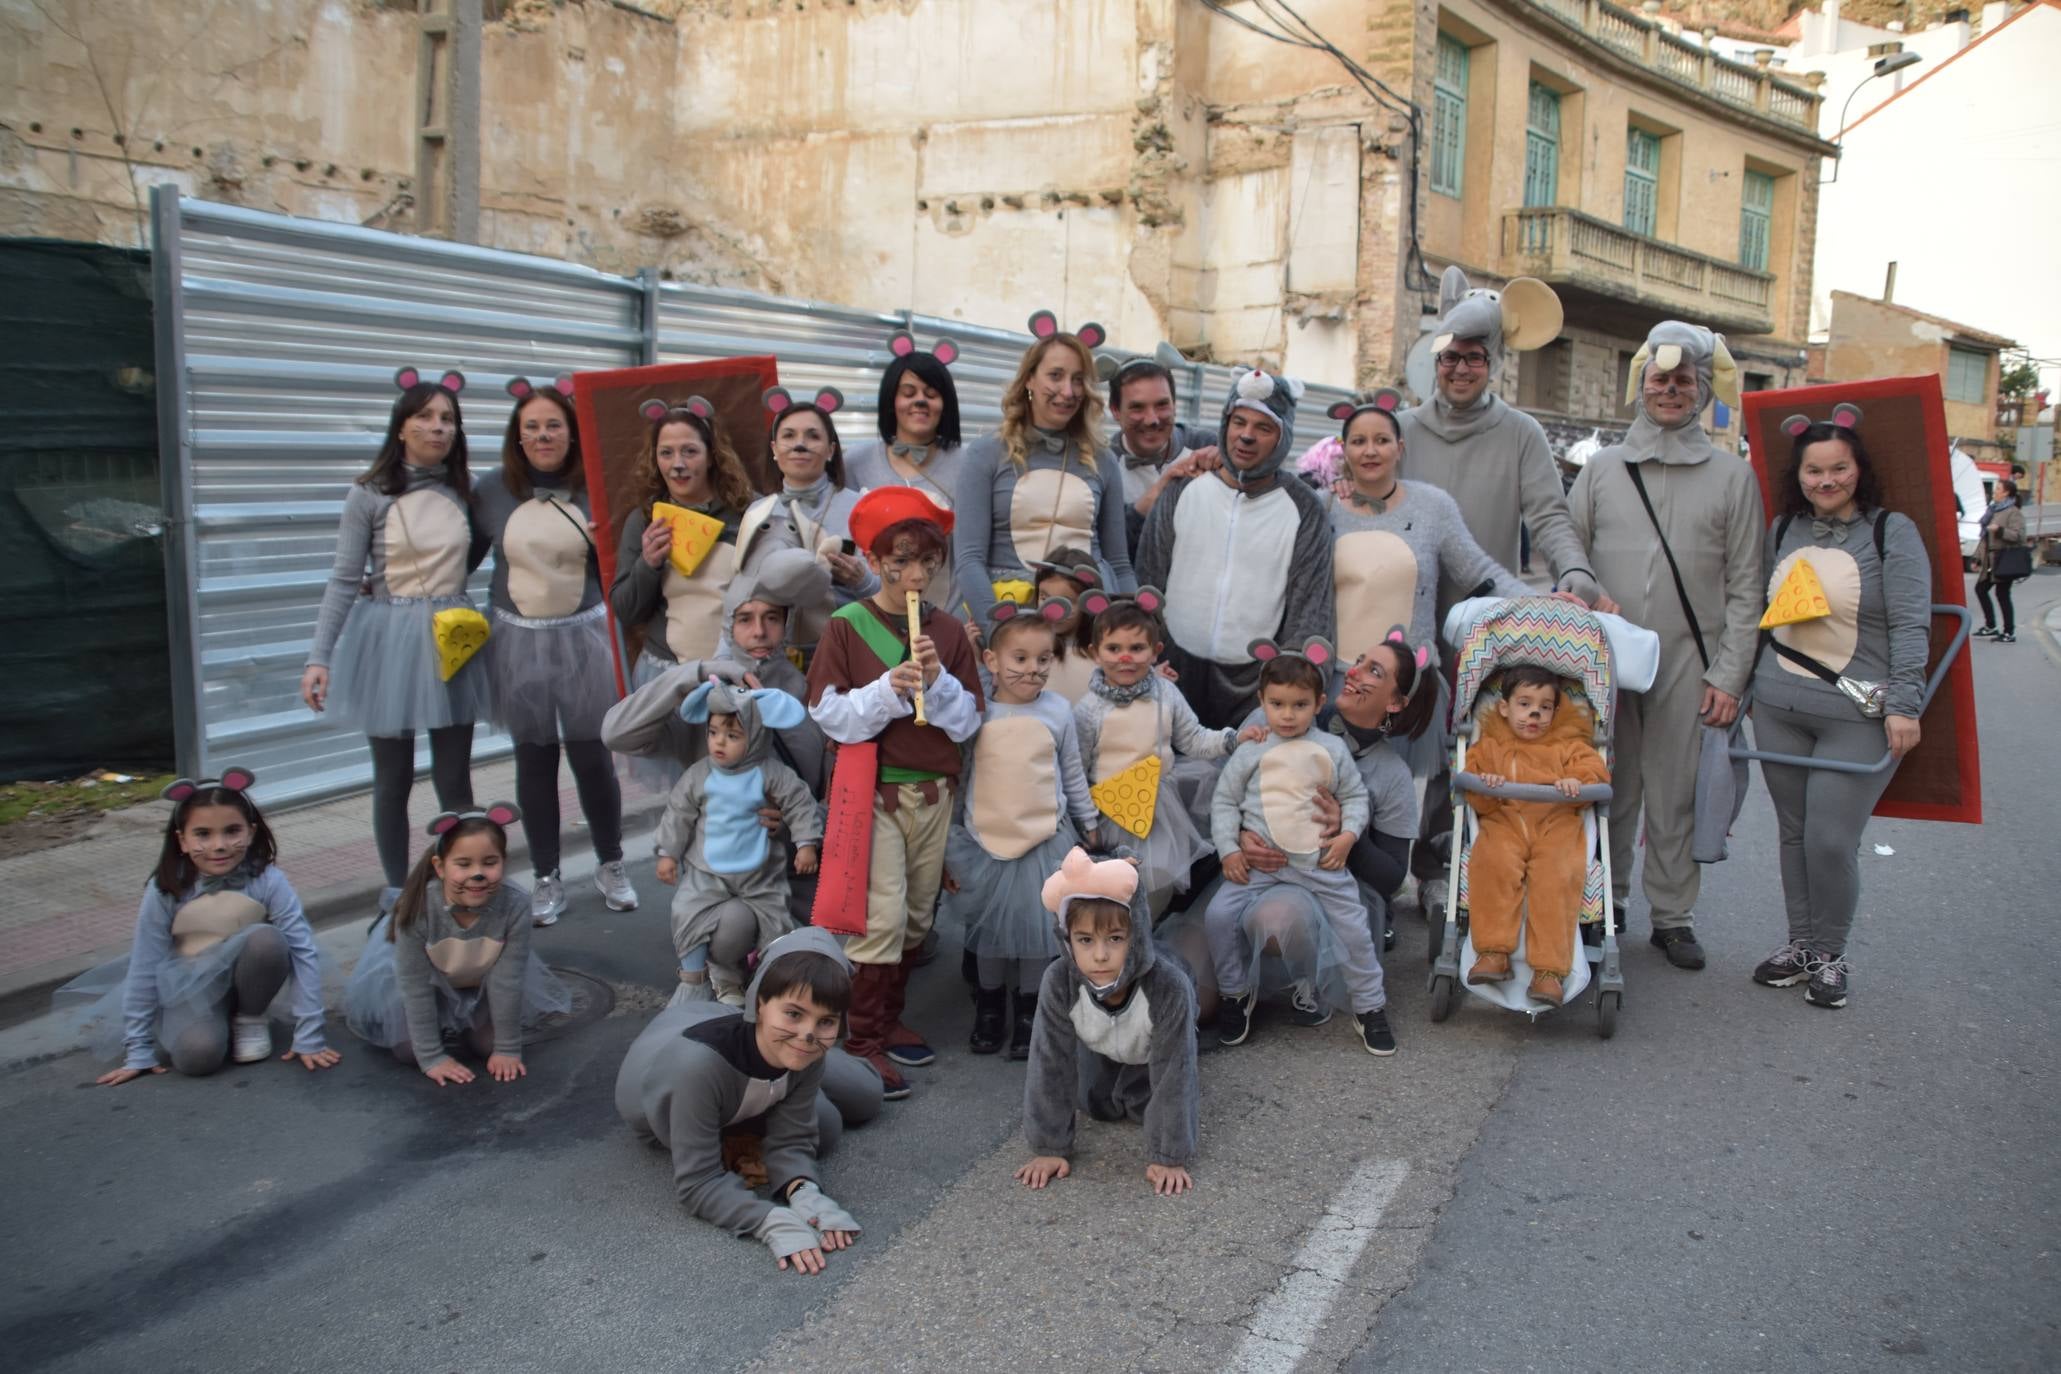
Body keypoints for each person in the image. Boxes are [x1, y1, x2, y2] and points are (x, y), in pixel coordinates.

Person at [1567, 321, 1765, 972]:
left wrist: (1729, 675)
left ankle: (1673, 916)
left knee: (1674, 790)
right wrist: (1584, 595)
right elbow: (1566, 551)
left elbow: (1746, 585)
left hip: (1690, 659)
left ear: (1703, 391)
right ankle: (1608, 902)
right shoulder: (1600, 470)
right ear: (1641, 386)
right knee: (1606, 784)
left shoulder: (1732, 478)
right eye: (1660, 379)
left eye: (1685, 381)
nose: (1671, 391)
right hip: (1606, 656)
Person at [805, 488, 983, 1098]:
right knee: (877, 921)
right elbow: (829, 715)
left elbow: (969, 724)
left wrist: (940, 682)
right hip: (875, 793)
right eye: (900, 560)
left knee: (914, 918)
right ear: (876, 560)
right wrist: (890, 688)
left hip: (935, 793)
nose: (915, 575)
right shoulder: (846, 626)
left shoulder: (949, 631)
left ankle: (883, 1019)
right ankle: (860, 1043)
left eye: (927, 562)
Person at [1749, 411, 1930, 1010]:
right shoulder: (1782, 530)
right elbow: (1756, 613)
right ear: (1797, 475)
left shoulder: (1890, 532)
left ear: (1859, 469)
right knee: (1794, 834)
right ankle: (1801, 945)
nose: (1826, 481)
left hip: (1857, 715)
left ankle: (1830, 952)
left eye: (1838, 469)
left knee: (1830, 839)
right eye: (1813, 470)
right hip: (1777, 707)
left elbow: (1909, 622)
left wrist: (1906, 704)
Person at [300, 368, 487, 913]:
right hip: (388, 637)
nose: (438, 427)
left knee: (455, 775)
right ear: (400, 427)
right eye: (425, 417)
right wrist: (319, 658)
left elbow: (476, 553)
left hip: (453, 636)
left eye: (448, 418)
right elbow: (342, 578)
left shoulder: (467, 490)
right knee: (393, 776)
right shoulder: (368, 493)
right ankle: (393, 893)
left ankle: (464, 884)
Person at [614, 928, 882, 1275]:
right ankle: (753, 1115)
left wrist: (802, 1189)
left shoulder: (808, 1044)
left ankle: (788, 1069)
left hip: (756, 1050)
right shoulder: (696, 1069)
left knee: (861, 1099)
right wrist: (770, 1219)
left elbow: (794, 1139)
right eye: (794, 1013)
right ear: (758, 1002)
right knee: (826, 1124)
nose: (809, 1034)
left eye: (827, 1020)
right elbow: (698, 1183)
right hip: (684, 1052)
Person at [476, 377, 634, 926]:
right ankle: (546, 875)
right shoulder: (491, 490)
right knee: (534, 759)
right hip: (517, 640)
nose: (543, 436)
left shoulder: (597, 486)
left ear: (572, 431)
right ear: (517, 438)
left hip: (583, 637)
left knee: (593, 757)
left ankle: (611, 862)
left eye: (553, 425)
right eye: (532, 428)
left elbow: (619, 564)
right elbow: (463, 555)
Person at [60, 768, 335, 1083]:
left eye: (232, 831)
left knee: (268, 940)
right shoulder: (166, 888)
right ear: (182, 840)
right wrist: (139, 1050)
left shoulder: (268, 880)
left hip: (251, 976)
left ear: (251, 831)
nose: (219, 845)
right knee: (197, 1058)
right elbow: (145, 962)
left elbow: (303, 951)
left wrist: (310, 1034)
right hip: (190, 988)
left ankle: (249, 1016)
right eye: (203, 834)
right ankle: (210, 1020)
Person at [1320, 390, 1532, 775]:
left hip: (1407, 687)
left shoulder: (1433, 507)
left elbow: (1478, 571)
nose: (1370, 451)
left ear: (1399, 447)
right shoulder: (1325, 507)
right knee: (1336, 802)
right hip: (1341, 683)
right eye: (1359, 441)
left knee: (1401, 806)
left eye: (1381, 440)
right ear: (1343, 450)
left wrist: (1540, 604)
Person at [1205, 648, 1394, 1056]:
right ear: (1262, 702)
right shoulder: (1251, 751)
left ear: (1319, 704)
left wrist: (1347, 836)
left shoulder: (1330, 748)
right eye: (1277, 704)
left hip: (1319, 863)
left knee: (1355, 930)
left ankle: (1370, 1006)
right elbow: (1224, 802)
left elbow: (1355, 797)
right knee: (1218, 915)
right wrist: (1228, 850)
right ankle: (1236, 993)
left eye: (1300, 705)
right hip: (1260, 866)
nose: (1287, 715)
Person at [1136, 366, 1335, 728]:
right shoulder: (1183, 489)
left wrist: (1285, 685)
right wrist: (1150, 660)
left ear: (1283, 436)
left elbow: (1310, 611)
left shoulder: (1304, 509)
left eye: (1263, 427)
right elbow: (1149, 580)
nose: (1245, 436)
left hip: (1255, 690)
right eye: (1238, 421)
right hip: (1172, 676)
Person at [944, 606, 1104, 1059]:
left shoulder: (1057, 711)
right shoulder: (976, 713)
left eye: (1042, 659)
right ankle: (990, 1006)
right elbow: (963, 776)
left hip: (1043, 837)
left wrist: (1088, 823)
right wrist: (949, 841)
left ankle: (1031, 1008)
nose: (1032, 670)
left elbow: (1070, 772)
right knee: (991, 932)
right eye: (1019, 659)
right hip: (985, 841)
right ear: (992, 661)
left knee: (1039, 930)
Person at [1396, 268, 1600, 606]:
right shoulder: (1400, 430)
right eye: (1450, 356)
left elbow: (1549, 517)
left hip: (1488, 620)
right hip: (1405, 626)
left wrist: (1574, 568)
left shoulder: (1521, 433)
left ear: (1495, 363)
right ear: (1436, 360)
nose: (1460, 369)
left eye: (1475, 356)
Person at [1016, 847, 1199, 1196]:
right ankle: (1118, 1068)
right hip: (1103, 1038)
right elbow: (1049, 1061)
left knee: (1147, 1102)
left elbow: (1174, 1072)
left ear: (1136, 935)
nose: (1100, 955)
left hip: (1162, 1016)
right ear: (1067, 939)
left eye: (1115, 939)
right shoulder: (1059, 980)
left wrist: (1168, 1153)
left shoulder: (1167, 988)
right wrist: (1049, 1147)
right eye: (1085, 940)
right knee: (1096, 1103)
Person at [344, 804, 572, 1083]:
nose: (477, 875)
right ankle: (437, 1029)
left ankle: (465, 1025)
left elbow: (507, 980)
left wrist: (507, 1049)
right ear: (440, 867)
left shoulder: (515, 904)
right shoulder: (418, 908)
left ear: (503, 861)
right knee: (409, 1052)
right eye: (463, 864)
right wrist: (431, 1057)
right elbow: (414, 986)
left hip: (478, 984)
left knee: (489, 1046)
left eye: (489, 863)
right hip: (426, 982)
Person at [953, 313, 1136, 629]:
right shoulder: (985, 454)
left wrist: (1132, 625)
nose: (1068, 391)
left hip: (1087, 625)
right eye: (1055, 375)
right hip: (1012, 617)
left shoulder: (1103, 460)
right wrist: (998, 632)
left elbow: (1119, 564)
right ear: (1029, 380)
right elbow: (969, 561)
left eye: (1078, 379)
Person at [1071, 594, 1244, 914]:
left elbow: (1192, 739)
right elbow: (1077, 768)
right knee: (1112, 896)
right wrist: (1085, 821)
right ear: (1096, 653)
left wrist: (1233, 739)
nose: (1125, 657)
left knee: (1155, 891)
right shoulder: (1089, 709)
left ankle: (1147, 946)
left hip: (1159, 812)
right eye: (1114, 649)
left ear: (1155, 652)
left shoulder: (1166, 693)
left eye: (1137, 649)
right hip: (1109, 811)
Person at [655, 681, 821, 1007]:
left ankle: (770, 983)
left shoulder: (771, 773)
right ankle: (694, 980)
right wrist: (668, 854)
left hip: (760, 873)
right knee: (686, 912)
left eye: (732, 736)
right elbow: (678, 813)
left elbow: (800, 804)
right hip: (708, 870)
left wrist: (805, 844)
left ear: (756, 737)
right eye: (714, 732)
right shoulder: (699, 774)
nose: (720, 742)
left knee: (776, 924)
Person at [1463, 667, 1611, 1006]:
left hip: (1556, 822)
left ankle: (1549, 971)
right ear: (1505, 708)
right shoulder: (1491, 747)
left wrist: (1577, 783)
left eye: (1545, 707)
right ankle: (1492, 952)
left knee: (1556, 877)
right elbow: (1472, 790)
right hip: (1506, 818)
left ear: (1556, 712)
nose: (1535, 714)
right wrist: (1487, 787)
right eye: (1525, 704)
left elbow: (1595, 773)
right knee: (1493, 863)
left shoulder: (1569, 745)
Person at [610, 396, 757, 718]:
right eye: (666, 453)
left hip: (734, 672)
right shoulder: (645, 519)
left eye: (689, 451)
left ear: (711, 457)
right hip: (665, 673)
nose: (677, 463)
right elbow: (625, 610)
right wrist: (647, 564)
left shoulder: (749, 513)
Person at [737, 391, 876, 649]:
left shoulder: (861, 507)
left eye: (812, 436)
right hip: (771, 658)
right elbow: (739, 594)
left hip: (846, 653)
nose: (800, 444)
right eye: (789, 435)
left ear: (831, 450)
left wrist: (861, 579)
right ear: (774, 450)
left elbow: (891, 591)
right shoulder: (759, 512)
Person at [1105, 352, 1220, 557]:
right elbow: (1108, 550)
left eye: (1161, 405)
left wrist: (1230, 464)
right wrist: (1148, 503)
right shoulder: (1103, 463)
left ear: (1175, 405)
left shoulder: (1206, 445)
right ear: (1115, 411)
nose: (1152, 419)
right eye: (1137, 408)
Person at [1973, 478, 2029, 643]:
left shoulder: (2013, 512)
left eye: (1998, 489)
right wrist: (1977, 557)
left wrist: (2000, 530)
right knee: (1981, 590)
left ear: (2006, 493)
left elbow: (2019, 536)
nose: (1995, 492)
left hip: (2004, 560)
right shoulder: (1993, 510)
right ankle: (1991, 626)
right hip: (1990, 560)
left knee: (2002, 594)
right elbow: (1984, 538)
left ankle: (2009, 632)